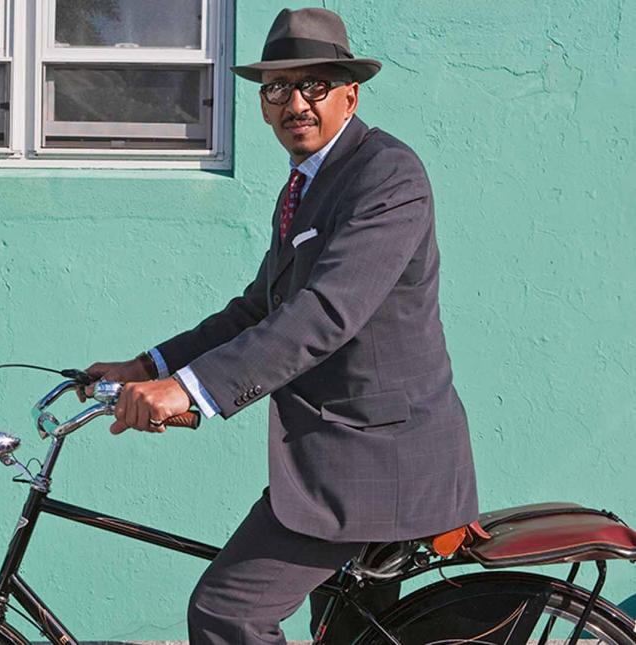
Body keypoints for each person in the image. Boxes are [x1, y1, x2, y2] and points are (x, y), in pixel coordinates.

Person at [83, 7, 479, 644]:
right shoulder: (307, 183)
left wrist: (191, 391)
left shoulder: (386, 176)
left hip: (376, 463)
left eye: (313, 85)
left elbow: (325, 312)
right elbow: (261, 308)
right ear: (264, 106)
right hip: (335, 461)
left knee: (227, 611)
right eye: (278, 89)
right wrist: (150, 366)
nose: (295, 102)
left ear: (350, 93)